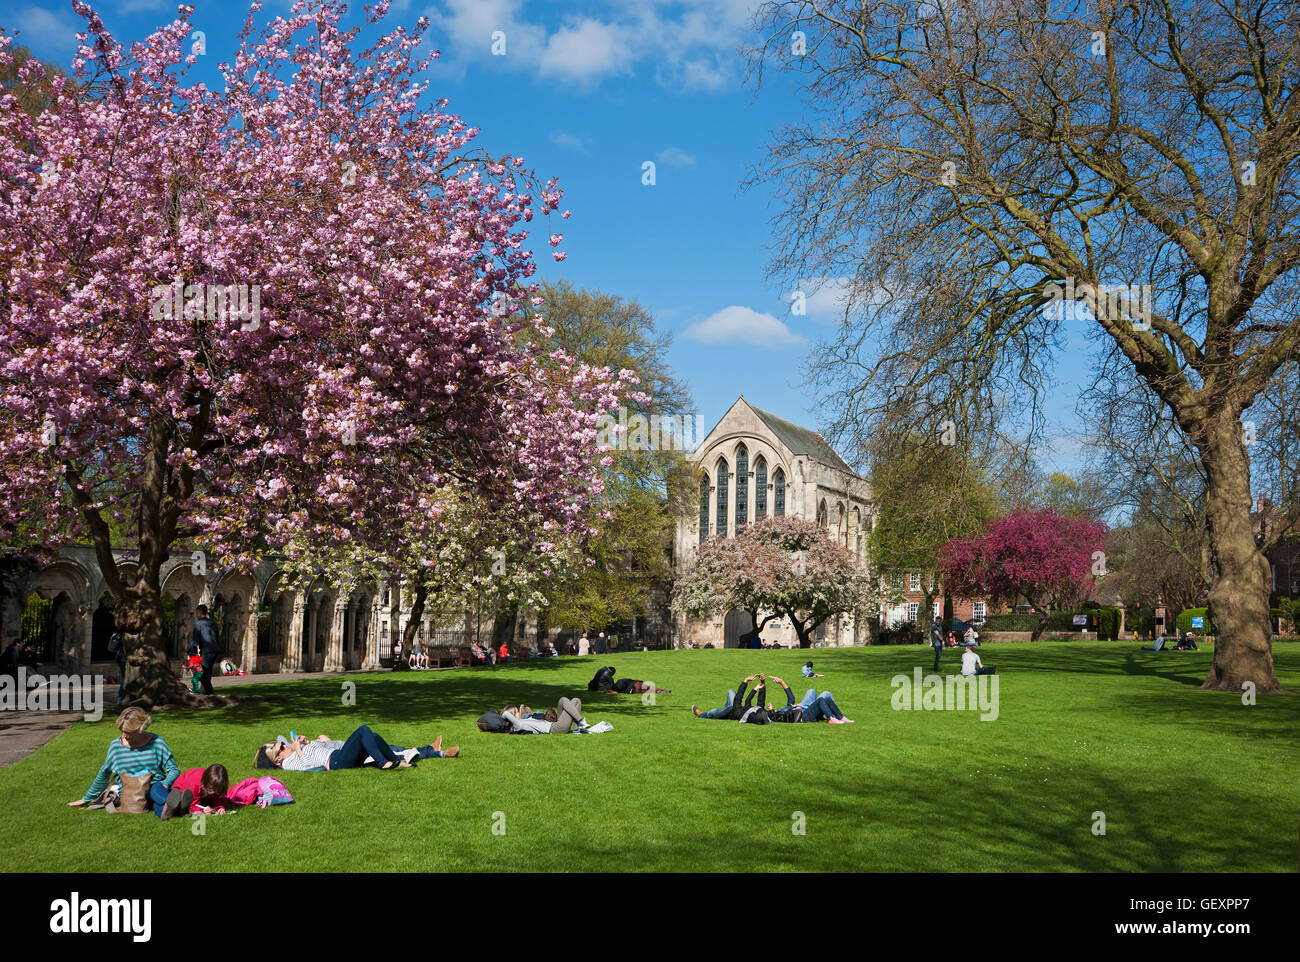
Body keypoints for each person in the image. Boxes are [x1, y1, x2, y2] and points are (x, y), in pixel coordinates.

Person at [68, 707, 183, 817]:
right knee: (156, 800)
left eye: (128, 732)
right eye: (122, 731)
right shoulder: (116, 746)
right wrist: (86, 799)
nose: (124, 735)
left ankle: (170, 808)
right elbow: (104, 773)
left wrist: (165, 784)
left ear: (141, 729)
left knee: (156, 793)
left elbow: (173, 770)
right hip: (130, 793)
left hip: (155, 786)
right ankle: (180, 803)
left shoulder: (157, 742)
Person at [256, 725, 414, 771]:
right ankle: (383, 763)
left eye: (283, 744)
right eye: (281, 748)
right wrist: (298, 750)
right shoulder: (288, 763)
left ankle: (395, 760)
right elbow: (310, 767)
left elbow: (315, 751)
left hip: (338, 755)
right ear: (278, 759)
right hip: (336, 761)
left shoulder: (293, 753)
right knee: (363, 730)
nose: (285, 746)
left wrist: (306, 743)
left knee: (374, 736)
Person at [757, 675, 853, 724]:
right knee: (824, 697)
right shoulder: (779, 714)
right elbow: (771, 713)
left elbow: (791, 697)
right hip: (805, 716)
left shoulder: (785, 709)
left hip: (806, 708)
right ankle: (831, 718)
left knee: (812, 691)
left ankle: (840, 717)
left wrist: (782, 682)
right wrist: (772, 710)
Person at [168, 763, 233, 816]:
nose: (213, 792)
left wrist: (220, 808)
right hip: (182, 791)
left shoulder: (215, 783)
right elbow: (193, 802)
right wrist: (201, 810)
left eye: (217, 790)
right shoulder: (194, 783)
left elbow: (219, 799)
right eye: (210, 789)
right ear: (205, 782)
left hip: (202, 795)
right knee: (182, 800)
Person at [501, 697, 589, 734]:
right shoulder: (517, 725)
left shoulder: (523, 721)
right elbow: (505, 714)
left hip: (554, 723)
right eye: (515, 712)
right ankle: (580, 722)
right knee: (575, 701)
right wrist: (502, 720)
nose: (518, 713)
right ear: (511, 717)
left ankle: (578, 728)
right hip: (555, 728)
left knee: (570, 700)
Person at [692, 675, 762, 720]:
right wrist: (762, 681)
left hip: (733, 711)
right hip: (735, 707)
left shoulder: (753, 716)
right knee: (731, 691)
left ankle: (701, 714)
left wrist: (746, 681)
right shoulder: (761, 711)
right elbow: (760, 700)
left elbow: (744, 700)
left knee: (712, 712)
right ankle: (725, 709)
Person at [189, 605, 220, 695]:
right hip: (214, 650)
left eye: (196, 612)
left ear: (199, 613)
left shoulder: (198, 624)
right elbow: (218, 638)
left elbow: (195, 640)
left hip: (207, 651)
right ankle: (204, 693)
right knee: (207, 673)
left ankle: (211, 694)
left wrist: (191, 652)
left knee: (202, 674)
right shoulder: (213, 622)